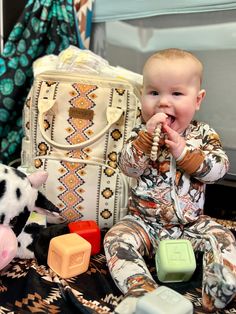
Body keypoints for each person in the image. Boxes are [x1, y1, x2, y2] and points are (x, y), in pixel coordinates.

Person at [103, 48, 236, 314]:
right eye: (154, 93)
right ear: (142, 95)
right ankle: (140, 287)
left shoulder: (203, 134)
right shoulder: (139, 133)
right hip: (144, 222)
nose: (163, 103)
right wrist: (143, 140)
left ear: (197, 100)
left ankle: (219, 285)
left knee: (223, 237)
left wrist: (184, 153)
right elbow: (127, 167)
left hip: (191, 224)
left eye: (176, 93)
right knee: (115, 238)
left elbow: (219, 169)